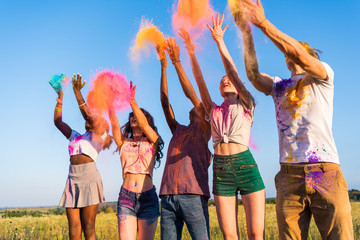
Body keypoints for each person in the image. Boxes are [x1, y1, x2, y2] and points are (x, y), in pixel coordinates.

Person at [235, 0, 354, 239]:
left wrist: (262, 23)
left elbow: (297, 52)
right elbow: (253, 75)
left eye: (296, 49)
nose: (292, 52)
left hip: (326, 172)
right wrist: (247, 31)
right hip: (289, 176)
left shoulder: (322, 75)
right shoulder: (279, 85)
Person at [182, 14, 266, 239]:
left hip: (246, 167)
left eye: (228, 79)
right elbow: (199, 81)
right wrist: (191, 51)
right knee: (229, 236)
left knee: (256, 234)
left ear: (239, 87)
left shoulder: (247, 103)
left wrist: (219, 40)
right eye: (221, 81)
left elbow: (233, 73)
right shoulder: (213, 110)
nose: (225, 80)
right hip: (221, 170)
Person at [156, 38, 212, 240]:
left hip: (194, 195)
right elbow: (164, 104)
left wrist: (176, 62)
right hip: (168, 195)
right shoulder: (178, 129)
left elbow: (191, 95)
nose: (192, 109)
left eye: (197, 108)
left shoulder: (206, 127)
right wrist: (163, 66)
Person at [52, 74, 112, 240]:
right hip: (72, 179)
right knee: (74, 229)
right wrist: (60, 98)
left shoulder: (100, 137)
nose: (91, 120)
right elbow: (58, 123)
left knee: (88, 228)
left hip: (89, 178)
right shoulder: (76, 136)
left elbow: (88, 117)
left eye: (95, 119)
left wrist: (77, 93)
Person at [108, 81, 164, 240]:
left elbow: (145, 125)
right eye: (131, 114)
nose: (132, 116)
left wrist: (133, 103)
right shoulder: (123, 142)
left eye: (137, 114)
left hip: (148, 198)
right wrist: (110, 104)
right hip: (126, 198)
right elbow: (114, 123)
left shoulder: (152, 140)